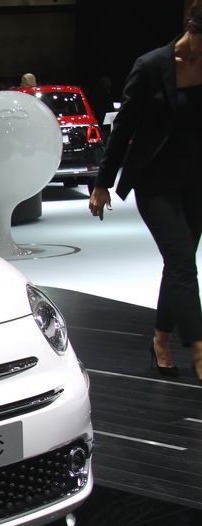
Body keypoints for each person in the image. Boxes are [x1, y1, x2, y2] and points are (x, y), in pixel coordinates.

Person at [89, 1, 202, 383]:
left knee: (179, 264)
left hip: (196, 183)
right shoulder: (152, 66)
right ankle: (199, 349)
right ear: (191, 29)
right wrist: (102, 183)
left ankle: (161, 340)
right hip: (155, 183)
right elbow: (123, 127)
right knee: (183, 262)